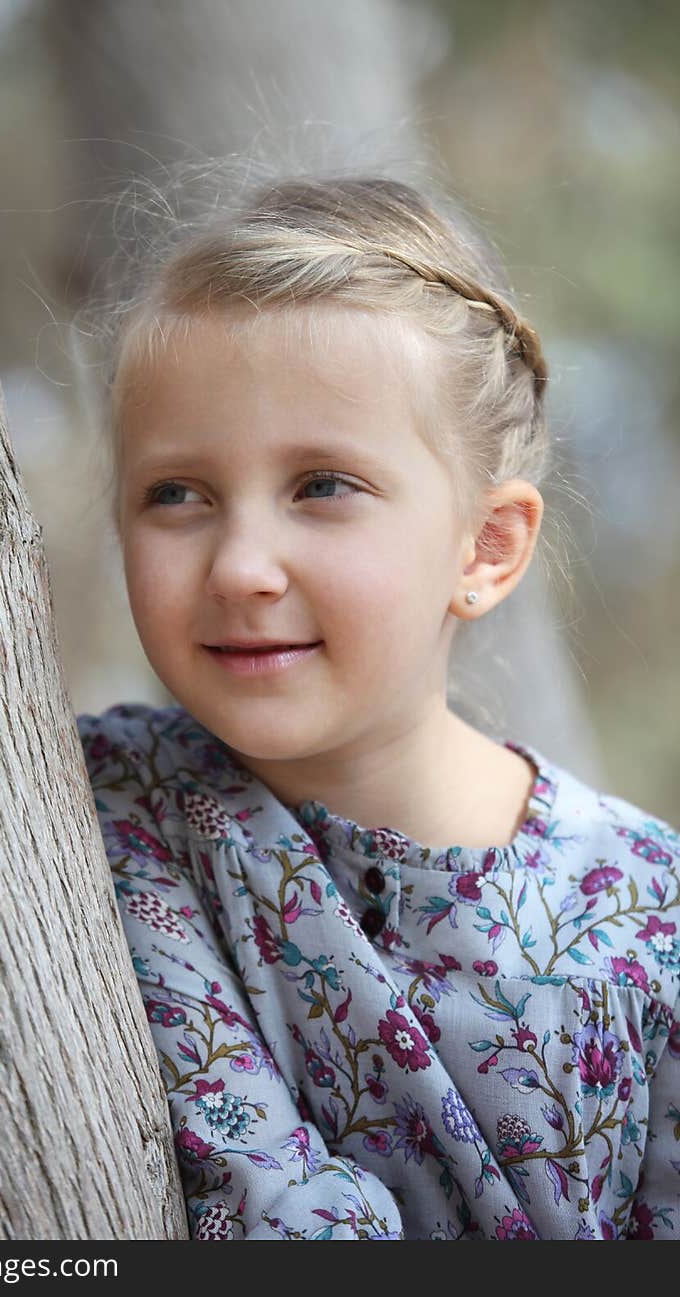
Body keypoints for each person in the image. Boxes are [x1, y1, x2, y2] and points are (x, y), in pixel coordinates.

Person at [75, 174, 679, 1239]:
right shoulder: (108, 810)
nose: (242, 565)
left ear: (485, 547)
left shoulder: (647, 912)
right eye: (177, 493)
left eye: (321, 485)